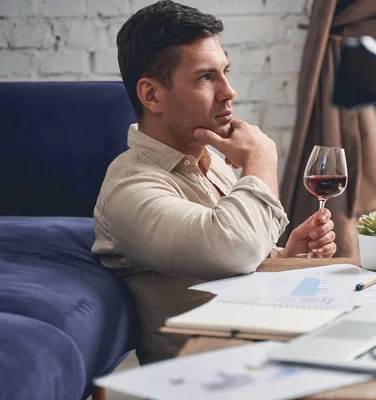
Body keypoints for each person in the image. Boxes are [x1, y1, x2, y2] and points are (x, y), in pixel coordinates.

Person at [92, 0, 337, 364]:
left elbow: (229, 265)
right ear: (152, 95)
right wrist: (260, 158)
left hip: (274, 354)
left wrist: (285, 256)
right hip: (218, 377)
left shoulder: (211, 161)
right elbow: (229, 249)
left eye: (225, 72)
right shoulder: (130, 190)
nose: (229, 91)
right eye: (206, 77)